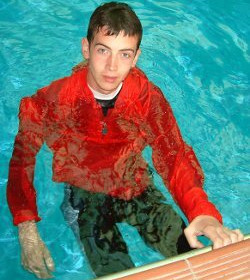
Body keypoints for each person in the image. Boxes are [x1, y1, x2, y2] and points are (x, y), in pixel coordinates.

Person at [7, 2, 244, 279]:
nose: (111, 66)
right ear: (86, 49)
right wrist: (27, 228)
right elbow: (22, 161)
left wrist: (202, 212)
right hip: (84, 197)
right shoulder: (51, 102)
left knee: (197, 259)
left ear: (136, 58)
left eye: (124, 54)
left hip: (137, 184)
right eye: (103, 50)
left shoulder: (147, 99)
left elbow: (173, 155)